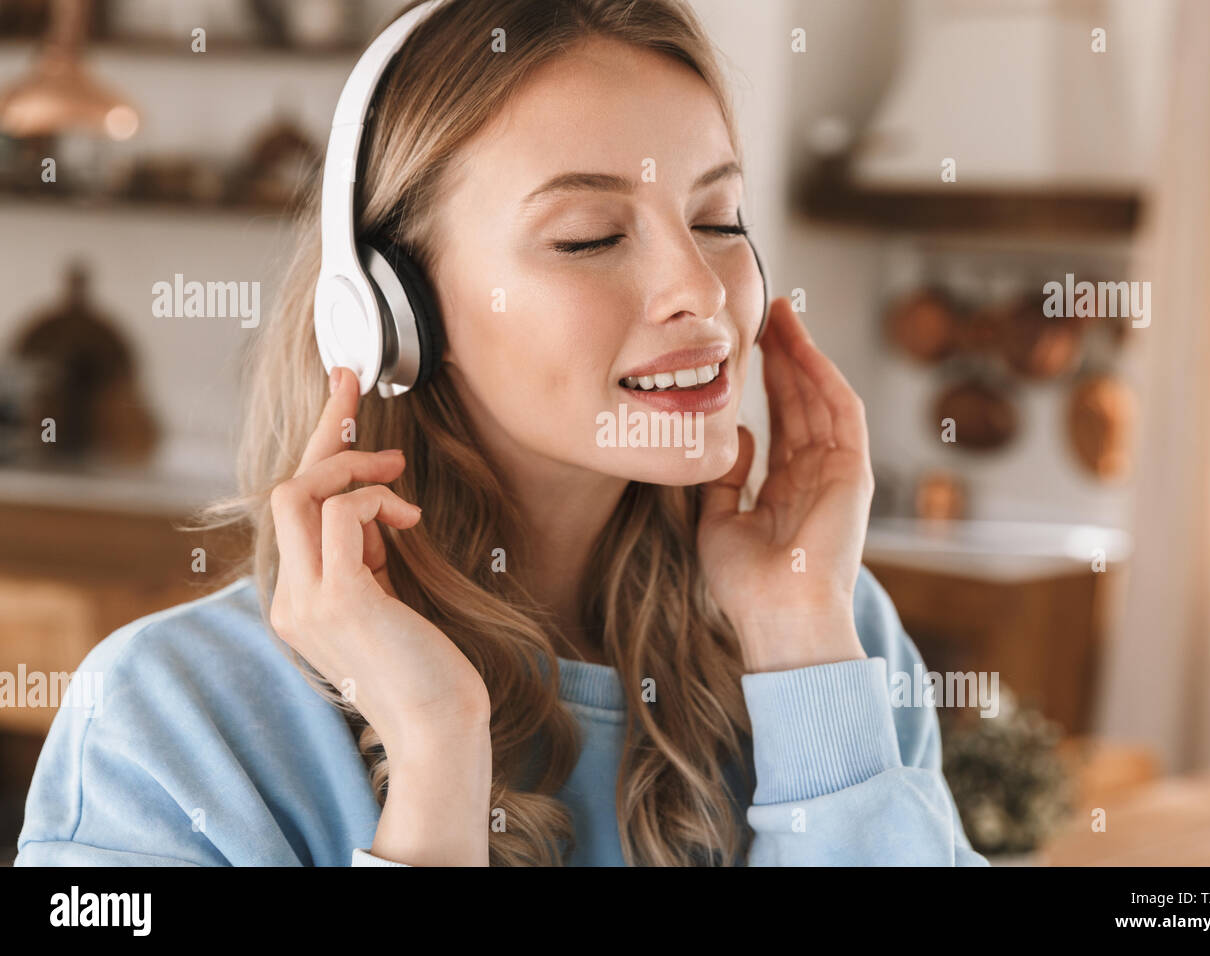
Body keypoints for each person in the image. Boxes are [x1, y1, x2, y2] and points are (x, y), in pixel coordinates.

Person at [16, 0, 986, 867]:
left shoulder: (834, 630)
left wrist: (799, 640)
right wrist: (437, 757)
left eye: (718, 219)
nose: (700, 289)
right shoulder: (172, 715)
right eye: (590, 237)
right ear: (390, 309)